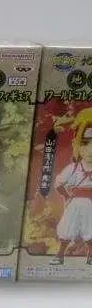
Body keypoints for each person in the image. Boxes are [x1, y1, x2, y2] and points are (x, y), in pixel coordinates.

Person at [50, 108, 92, 265]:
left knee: (90, 228)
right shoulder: (73, 168)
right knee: (67, 227)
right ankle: (60, 254)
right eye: (85, 144)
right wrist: (66, 196)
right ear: (77, 144)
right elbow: (58, 183)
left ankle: (91, 255)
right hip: (75, 203)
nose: (90, 150)